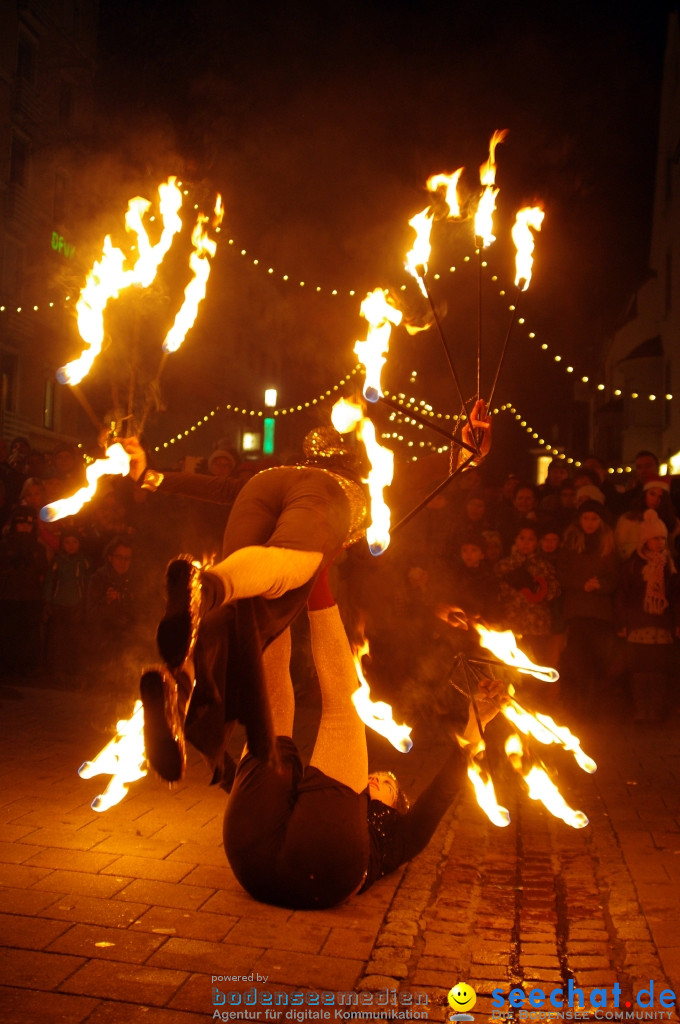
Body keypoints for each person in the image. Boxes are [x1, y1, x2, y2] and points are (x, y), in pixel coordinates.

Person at [123, 400, 491, 785]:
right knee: (290, 564)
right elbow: (422, 471)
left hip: (257, 488)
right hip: (330, 496)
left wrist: (149, 475)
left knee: (245, 620)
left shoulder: (278, 471)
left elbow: (218, 486)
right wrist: (466, 451)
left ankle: (178, 686)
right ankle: (205, 587)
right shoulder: (361, 479)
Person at [221, 567, 502, 909]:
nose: (374, 777)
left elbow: (443, 793)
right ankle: (278, 579)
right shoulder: (328, 799)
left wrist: (477, 722)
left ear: (396, 807)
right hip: (252, 859)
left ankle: (314, 577)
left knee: (344, 707)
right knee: (271, 718)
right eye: (383, 778)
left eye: (385, 781)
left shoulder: (401, 839)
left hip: (317, 873)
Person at [615, 508, 680, 722]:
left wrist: (677, 622)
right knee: (640, 668)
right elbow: (623, 595)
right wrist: (623, 622)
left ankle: (658, 710)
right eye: (655, 539)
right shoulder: (632, 566)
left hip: (662, 625)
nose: (660, 543)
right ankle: (642, 710)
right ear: (644, 541)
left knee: (660, 669)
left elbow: (676, 595)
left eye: (662, 539)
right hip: (638, 625)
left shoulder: (670, 566)